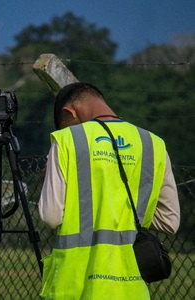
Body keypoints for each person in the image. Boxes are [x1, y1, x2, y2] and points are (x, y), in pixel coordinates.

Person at [38, 82, 180, 299]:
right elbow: (170, 221)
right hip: (132, 289)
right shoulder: (153, 144)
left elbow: (50, 216)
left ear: (70, 112)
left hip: (76, 287)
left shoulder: (67, 140)